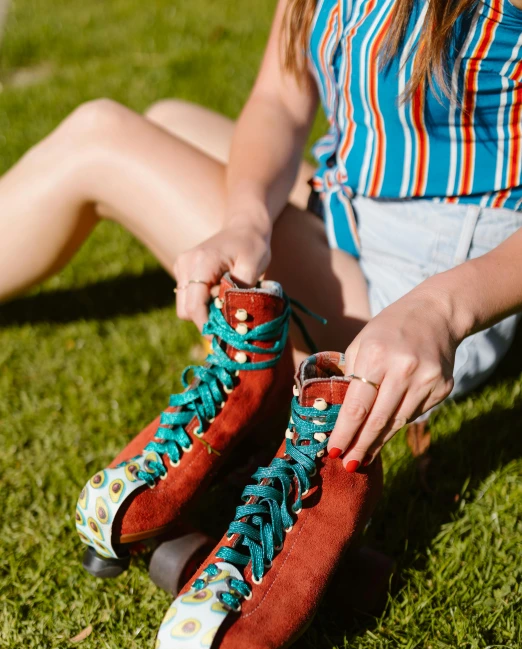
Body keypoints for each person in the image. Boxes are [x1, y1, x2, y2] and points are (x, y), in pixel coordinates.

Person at [2, 0, 522, 472]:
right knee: (169, 121)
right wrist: (247, 221)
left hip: (419, 296)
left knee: (98, 142)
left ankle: (280, 368)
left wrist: (443, 310)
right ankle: (270, 346)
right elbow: (278, 99)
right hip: (348, 205)